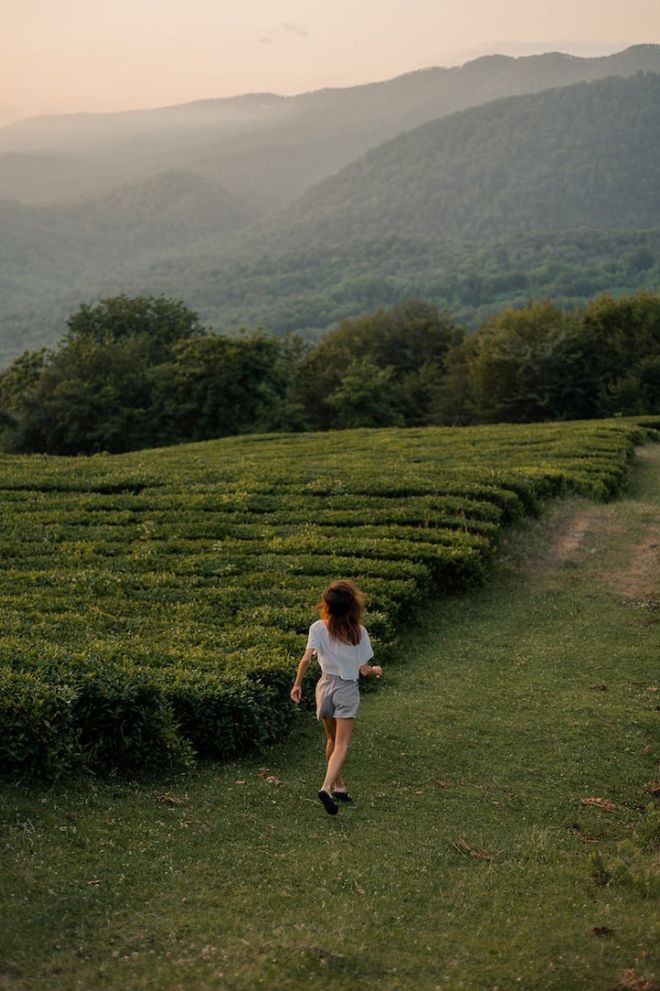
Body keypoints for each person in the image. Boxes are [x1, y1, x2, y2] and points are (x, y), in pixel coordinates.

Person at [290, 579, 382, 815]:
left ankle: (339, 785)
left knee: (331, 740)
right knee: (342, 744)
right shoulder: (358, 632)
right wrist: (376, 671)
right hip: (346, 688)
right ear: (352, 605)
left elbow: (306, 659)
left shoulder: (317, 627)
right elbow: (364, 669)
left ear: (327, 605)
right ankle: (326, 787)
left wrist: (297, 685)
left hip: (324, 686)